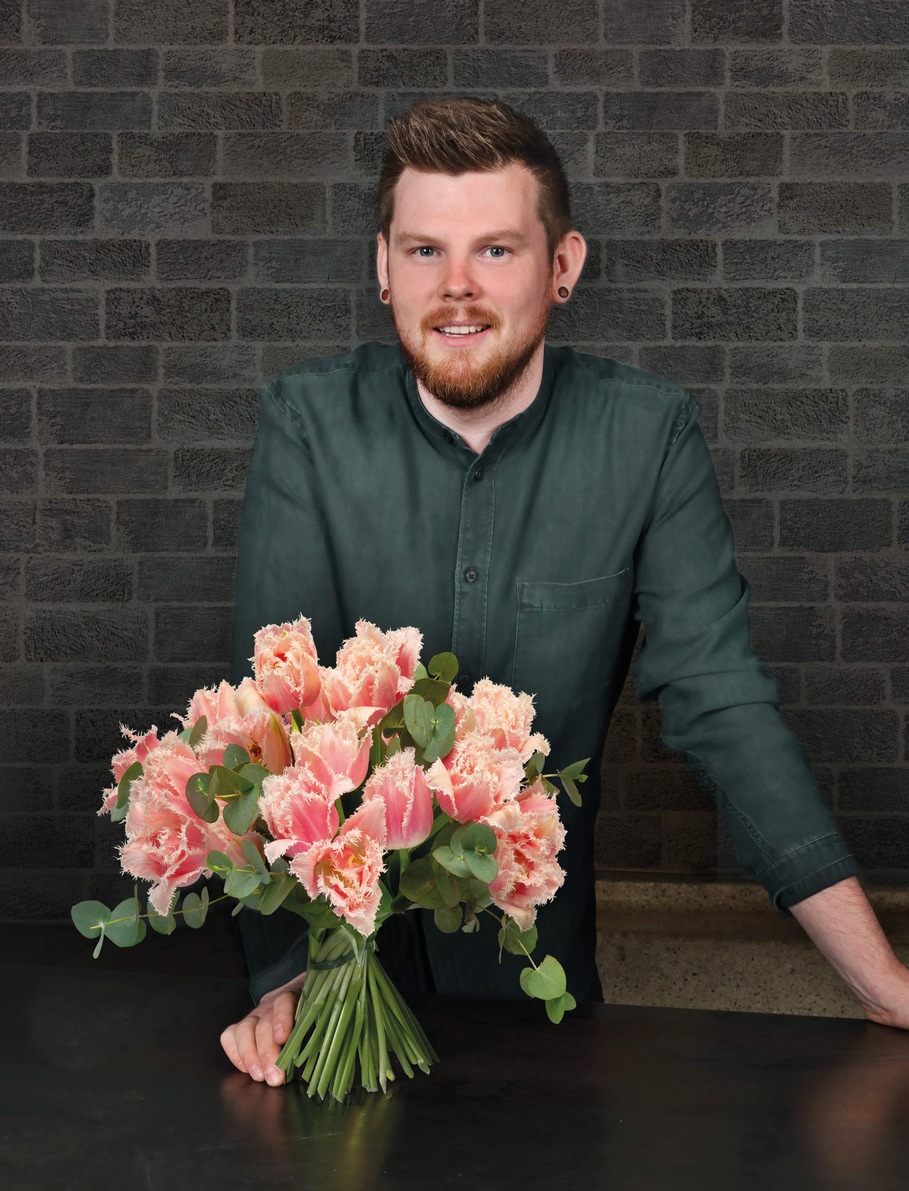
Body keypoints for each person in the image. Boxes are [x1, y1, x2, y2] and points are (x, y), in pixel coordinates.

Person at [221, 98, 909, 1086]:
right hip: (334, 998)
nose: (456, 290)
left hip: (538, 1002)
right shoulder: (305, 424)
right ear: (382, 268)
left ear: (564, 267)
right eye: (424, 252)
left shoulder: (651, 437)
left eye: (496, 251)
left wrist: (883, 982)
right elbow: (271, 722)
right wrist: (284, 983)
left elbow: (722, 706)